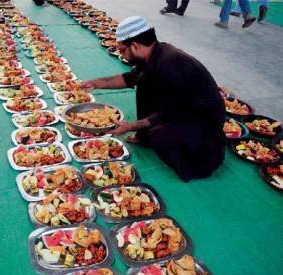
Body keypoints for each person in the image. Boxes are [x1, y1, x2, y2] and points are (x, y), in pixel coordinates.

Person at [81, 16, 226, 182]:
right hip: (181, 107)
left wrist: (130, 126)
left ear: (134, 46)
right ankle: (146, 135)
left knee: (158, 136)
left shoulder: (170, 64)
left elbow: (168, 114)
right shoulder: (154, 53)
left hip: (204, 124)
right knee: (143, 83)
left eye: (122, 49)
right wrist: (96, 83)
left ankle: (195, 156)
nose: (120, 53)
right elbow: (129, 79)